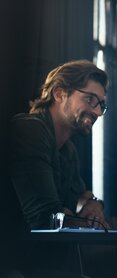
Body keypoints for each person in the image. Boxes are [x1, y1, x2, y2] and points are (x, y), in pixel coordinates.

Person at [9, 60, 109, 230]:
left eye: (101, 104)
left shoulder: (68, 150)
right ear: (59, 94)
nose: (98, 112)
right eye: (90, 99)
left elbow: (80, 198)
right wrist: (87, 223)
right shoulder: (29, 130)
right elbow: (44, 218)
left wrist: (94, 205)